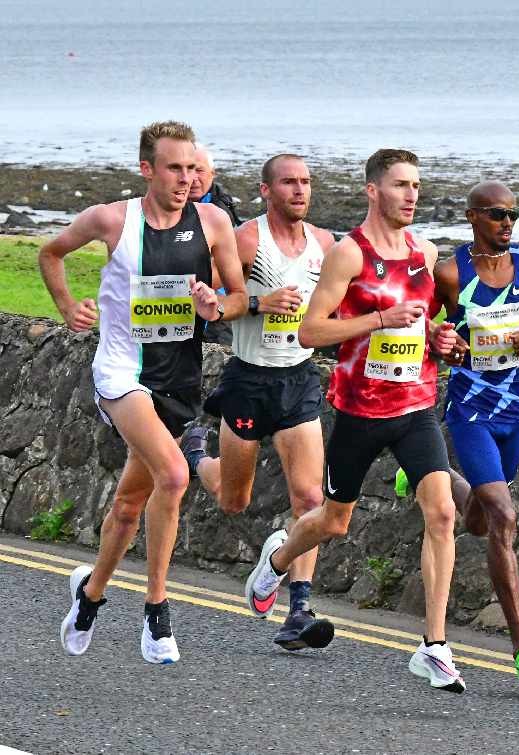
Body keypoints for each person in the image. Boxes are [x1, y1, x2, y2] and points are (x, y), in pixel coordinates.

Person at [242, 149, 466, 691]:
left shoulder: (425, 253)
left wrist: (440, 340)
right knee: (334, 521)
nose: (411, 195)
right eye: (400, 185)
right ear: (372, 191)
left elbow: (423, 325)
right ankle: (277, 561)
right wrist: (379, 318)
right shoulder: (348, 254)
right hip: (360, 411)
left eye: (416, 186)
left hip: (415, 407)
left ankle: (434, 646)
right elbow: (310, 331)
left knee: (441, 512)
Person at [38, 120, 247, 663]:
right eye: (174, 168)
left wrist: (216, 306)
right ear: (147, 169)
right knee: (174, 475)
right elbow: (51, 253)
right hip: (121, 374)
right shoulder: (112, 219)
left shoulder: (213, 221)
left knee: (130, 505)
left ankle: (90, 595)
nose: (186, 179)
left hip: (178, 381)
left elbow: (239, 295)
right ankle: (157, 612)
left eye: (193, 168)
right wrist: (68, 307)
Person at [181, 154, 337, 650]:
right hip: (249, 380)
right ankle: (196, 457)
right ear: (266, 190)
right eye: (289, 182)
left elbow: (344, 304)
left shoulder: (326, 244)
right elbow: (212, 301)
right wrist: (255, 303)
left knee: (309, 500)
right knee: (235, 500)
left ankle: (299, 609)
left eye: (306, 182)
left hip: (299, 379)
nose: (300, 190)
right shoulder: (247, 239)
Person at [432, 180, 519, 690]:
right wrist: (444, 343)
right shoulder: (450, 273)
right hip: (471, 410)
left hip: (518, 407)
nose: (507, 222)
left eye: (513, 213)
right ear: (472, 217)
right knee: (504, 517)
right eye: (496, 214)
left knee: (477, 520)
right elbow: (425, 329)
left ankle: (435, 475)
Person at [190, 143, 239, 345]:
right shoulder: (166, 204)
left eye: (199, 170)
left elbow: (217, 269)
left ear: (212, 173)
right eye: (188, 169)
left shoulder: (219, 210)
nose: (193, 178)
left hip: (216, 304)